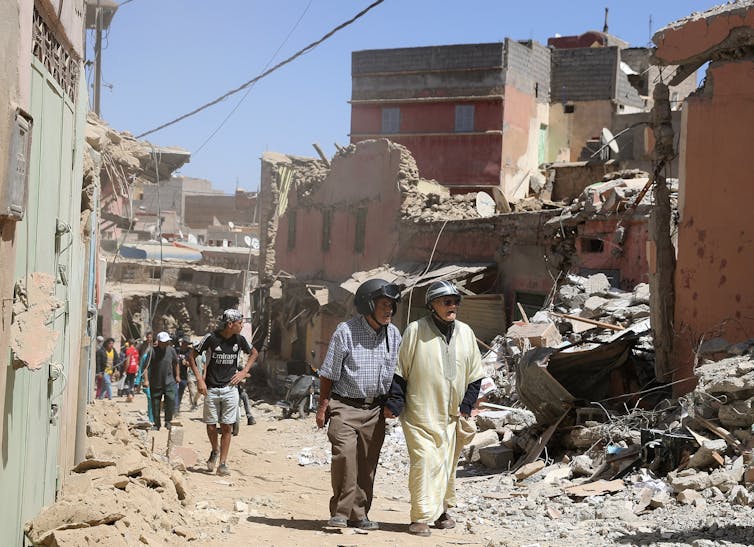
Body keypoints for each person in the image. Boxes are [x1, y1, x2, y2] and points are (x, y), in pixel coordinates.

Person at [385, 281, 485, 537]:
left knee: (446, 465)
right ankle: (419, 517)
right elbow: (401, 371)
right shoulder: (415, 330)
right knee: (425, 462)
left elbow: (475, 374)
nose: (452, 306)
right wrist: (395, 403)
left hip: (451, 416)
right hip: (420, 413)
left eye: (455, 302)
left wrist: (466, 406)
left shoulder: (465, 332)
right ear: (432, 305)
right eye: (446, 302)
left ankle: (441, 512)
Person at [316, 279, 402, 530]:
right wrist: (323, 407)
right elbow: (328, 373)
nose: (389, 310)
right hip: (344, 405)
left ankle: (359, 514)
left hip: (375, 409)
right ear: (368, 304)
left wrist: (394, 403)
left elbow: (398, 372)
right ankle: (340, 514)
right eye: (384, 304)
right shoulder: (346, 331)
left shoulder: (394, 334)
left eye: (392, 306)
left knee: (367, 463)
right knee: (344, 457)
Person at [189, 309, 258, 477]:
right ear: (230, 324)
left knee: (227, 427)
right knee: (211, 426)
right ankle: (215, 450)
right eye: (240, 323)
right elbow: (191, 355)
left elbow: (254, 353)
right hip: (211, 389)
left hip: (230, 389)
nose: (242, 326)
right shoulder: (211, 338)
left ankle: (223, 463)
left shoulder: (240, 340)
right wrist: (199, 379)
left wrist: (243, 372)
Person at [143, 331, 179, 430]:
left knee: (170, 401)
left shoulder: (171, 350)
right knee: (155, 404)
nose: (166, 343)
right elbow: (145, 367)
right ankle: (156, 424)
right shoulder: (152, 352)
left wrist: (177, 376)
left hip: (169, 381)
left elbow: (176, 363)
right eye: (164, 342)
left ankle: (168, 421)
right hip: (156, 382)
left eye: (167, 341)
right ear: (158, 341)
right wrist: (146, 380)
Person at [174, 337, 193, 415]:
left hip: (184, 375)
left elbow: (192, 364)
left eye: (188, 344)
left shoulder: (189, 352)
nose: (186, 345)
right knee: (174, 392)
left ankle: (177, 407)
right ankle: (174, 409)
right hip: (174, 374)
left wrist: (187, 363)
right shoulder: (176, 350)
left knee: (180, 392)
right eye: (185, 343)